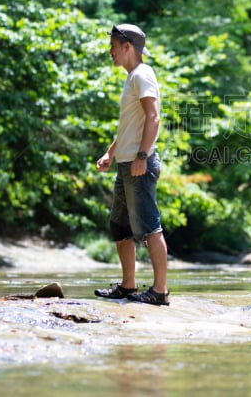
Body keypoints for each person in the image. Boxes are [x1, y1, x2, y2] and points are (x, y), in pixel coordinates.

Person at [94, 23, 170, 306]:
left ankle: (160, 291)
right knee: (119, 226)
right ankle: (128, 286)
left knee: (150, 228)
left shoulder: (142, 74)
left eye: (113, 47)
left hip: (139, 163)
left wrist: (142, 155)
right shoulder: (132, 78)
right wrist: (111, 153)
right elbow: (129, 124)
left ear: (127, 47)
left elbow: (153, 117)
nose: (110, 52)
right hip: (125, 162)